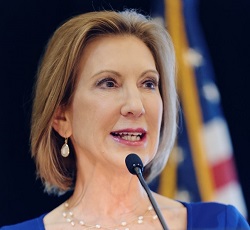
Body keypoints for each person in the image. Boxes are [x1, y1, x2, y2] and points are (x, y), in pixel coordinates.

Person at [1, 10, 249, 230]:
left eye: (148, 83)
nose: (136, 105)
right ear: (62, 117)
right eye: (108, 83)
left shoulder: (221, 224)